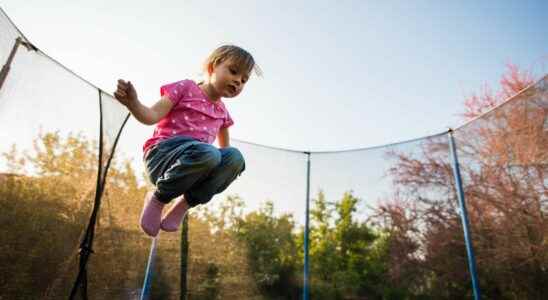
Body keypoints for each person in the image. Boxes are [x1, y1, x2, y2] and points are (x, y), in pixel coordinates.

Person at [114, 45, 260, 237]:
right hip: (162, 157)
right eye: (233, 71)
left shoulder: (223, 114)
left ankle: (184, 204)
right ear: (212, 67)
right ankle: (158, 198)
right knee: (209, 153)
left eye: (243, 80)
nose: (237, 81)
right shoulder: (185, 88)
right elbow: (151, 116)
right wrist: (133, 103)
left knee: (235, 158)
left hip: (191, 169)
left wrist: (232, 171)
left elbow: (226, 156)